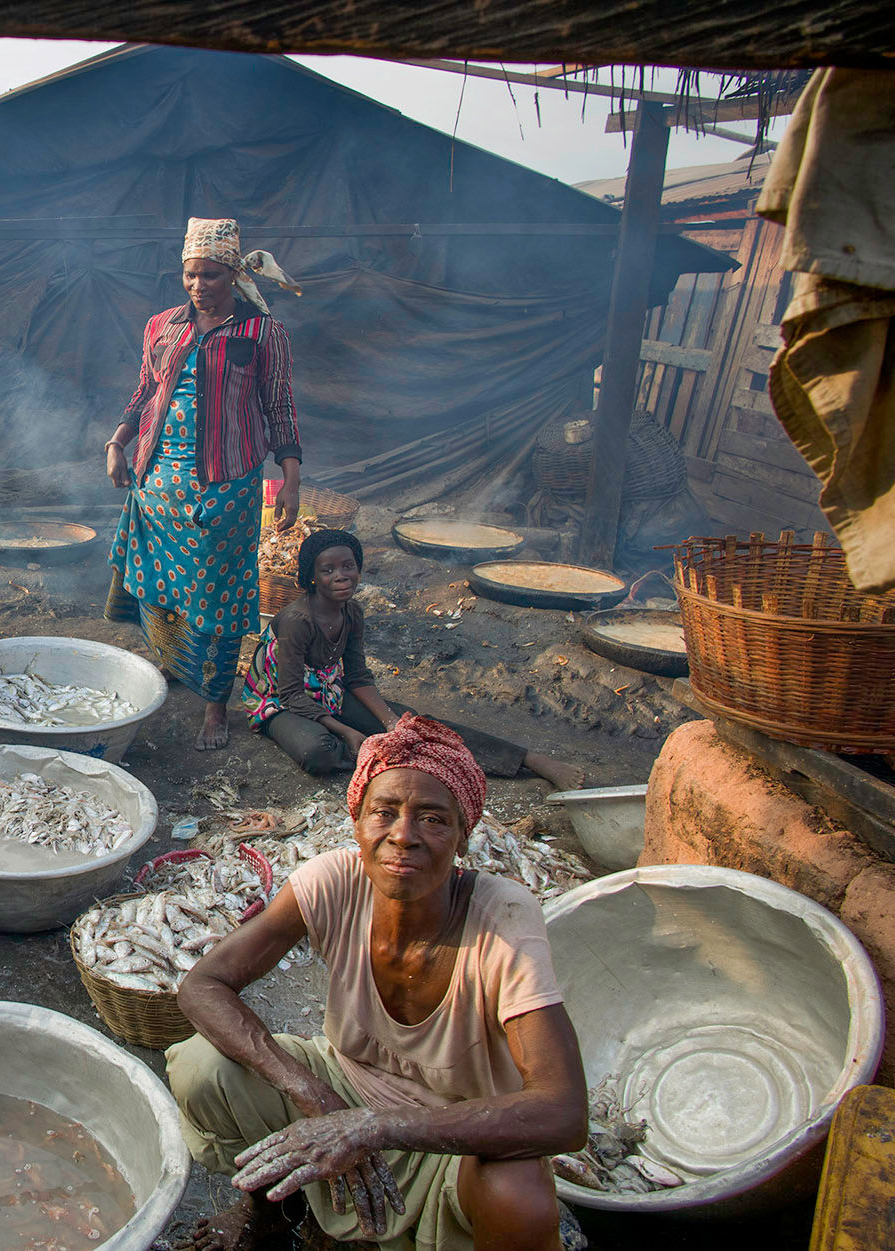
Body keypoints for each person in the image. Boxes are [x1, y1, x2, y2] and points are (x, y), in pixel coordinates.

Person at [168, 715, 588, 1251]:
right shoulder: (332, 881)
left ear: (463, 836)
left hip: (454, 1136)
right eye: (382, 814)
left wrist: (374, 1128)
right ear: (358, 826)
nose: (403, 836)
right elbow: (203, 986)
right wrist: (316, 1097)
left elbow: (563, 1111)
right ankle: (271, 1210)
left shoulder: (502, 917)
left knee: (520, 1193)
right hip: (346, 1087)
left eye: (433, 819)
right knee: (205, 1069)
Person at [106, 217, 305, 751]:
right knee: (162, 586)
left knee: (216, 595)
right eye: (191, 275)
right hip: (158, 483)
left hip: (225, 486)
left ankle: (216, 706)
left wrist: (290, 478)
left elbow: (279, 406)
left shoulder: (263, 333)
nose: (199, 287)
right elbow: (145, 391)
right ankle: (171, 663)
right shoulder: (161, 326)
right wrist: (118, 442)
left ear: (234, 274)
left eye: (211, 276)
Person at [244, 529, 585, 792]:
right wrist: (347, 728)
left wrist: (392, 721)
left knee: (415, 725)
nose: (341, 575)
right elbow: (290, 694)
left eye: (348, 566)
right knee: (317, 752)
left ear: (359, 569)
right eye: (328, 569)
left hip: (329, 692)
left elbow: (358, 676)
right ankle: (365, 746)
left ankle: (527, 759)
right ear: (312, 576)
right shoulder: (297, 620)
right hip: (282, 702)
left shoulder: (353, 613)